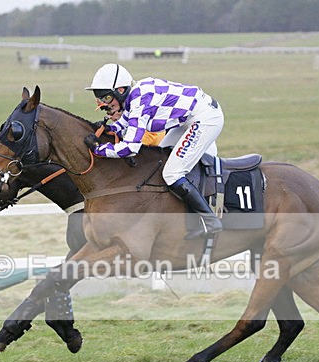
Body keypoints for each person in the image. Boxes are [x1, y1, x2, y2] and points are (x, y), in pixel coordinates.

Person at [83, 63, 224, 239]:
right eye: (101, 99)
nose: (105, 104)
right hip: (189, 119)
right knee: (162, 160)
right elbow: (123, 124)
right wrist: (105, 130)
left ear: (120, 90)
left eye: (107, 98)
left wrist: (99, 149)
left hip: (205, 118)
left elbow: (130, 147)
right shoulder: (134, 97)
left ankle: (210, 221)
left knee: (172, 173)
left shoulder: (140, 100)